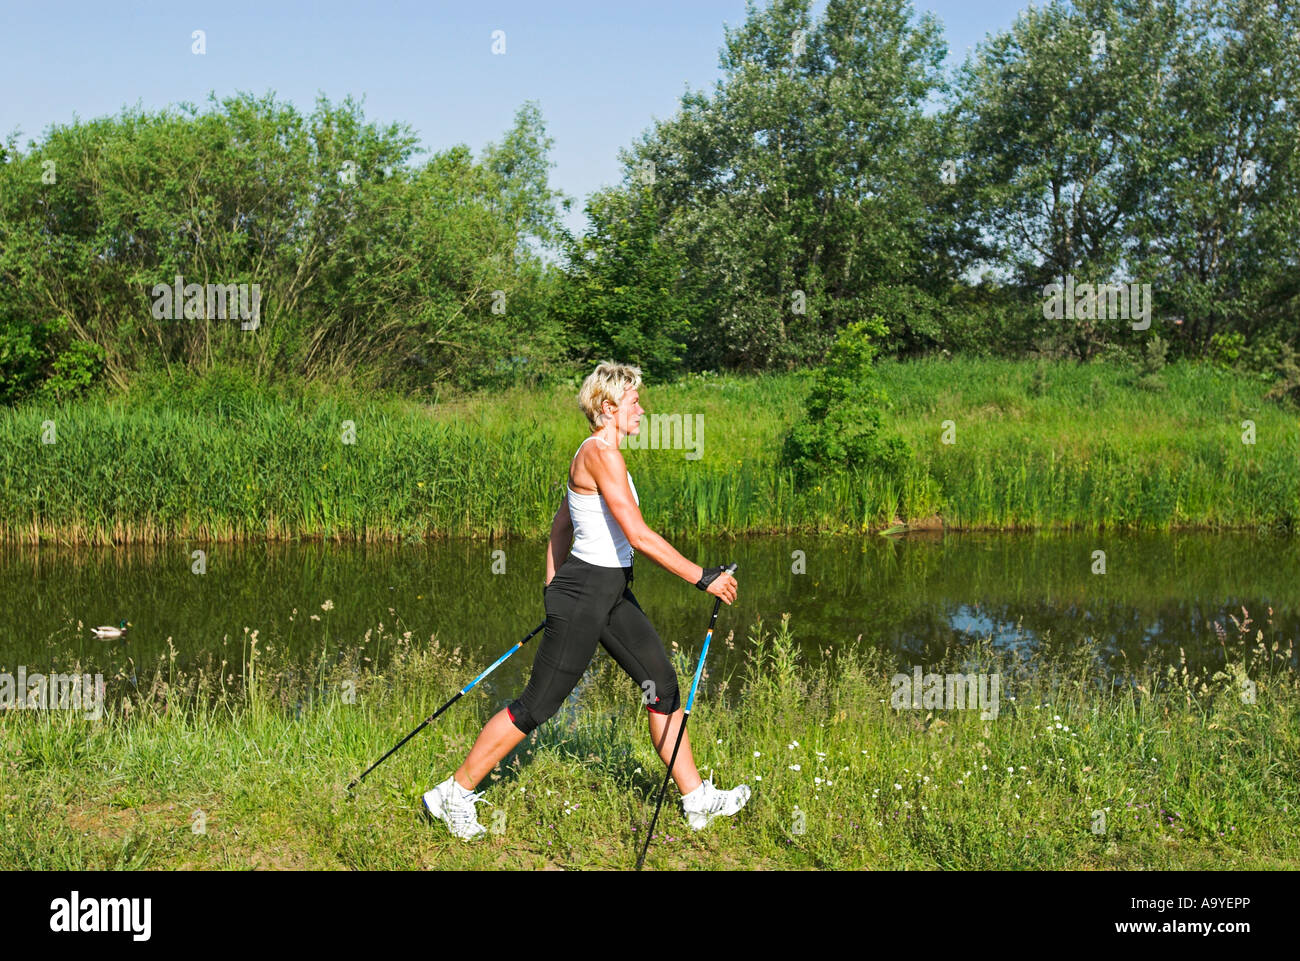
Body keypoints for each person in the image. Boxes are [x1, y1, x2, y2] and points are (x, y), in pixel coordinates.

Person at [423, 361, 750, 840]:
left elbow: (562, 526)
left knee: (660, 684)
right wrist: (704, 578)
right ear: (608, 407)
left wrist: (551, 586)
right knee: (537, 705)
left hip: (608, 592)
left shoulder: (602, 455)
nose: (642, 408)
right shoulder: (601, 454)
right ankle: (452, 793)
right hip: (586, 594)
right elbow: (637, 535)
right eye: (635, 401)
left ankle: (696, 799)